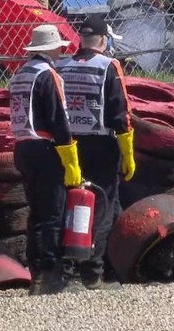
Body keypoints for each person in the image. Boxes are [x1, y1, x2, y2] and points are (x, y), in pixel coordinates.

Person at [53, 14, 135, 291]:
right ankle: (90, 272)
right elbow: (120, 111)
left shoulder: (61, 65)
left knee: (79, 205)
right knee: (99, 206)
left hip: (66, 145)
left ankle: (102, 266)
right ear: (103, 39)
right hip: (100, 143)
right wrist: (128, 152)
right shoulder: (109, 65)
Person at [8, 23, 79, 296]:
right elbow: (58, 119)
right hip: (47, 148)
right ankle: (51, 273)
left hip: (23, 148)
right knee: (53, 214)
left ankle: (36, 270)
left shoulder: (19, 75)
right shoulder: (48, 75)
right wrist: (70, 158)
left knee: (35, 212)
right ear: (52, 48)